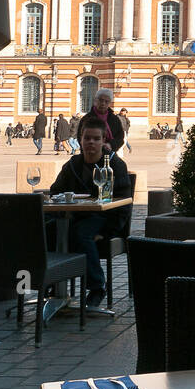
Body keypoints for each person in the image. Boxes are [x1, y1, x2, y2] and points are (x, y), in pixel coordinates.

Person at [48, 119, 120, 309]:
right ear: (80, 139)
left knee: (80, 234)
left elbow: (123, 203)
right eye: (87, 138)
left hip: (103, 218)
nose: (91, 142)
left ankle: (97, 287)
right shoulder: (72, 164)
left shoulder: (114, 165)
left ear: (103, 140)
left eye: (96, 139)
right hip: (73, 216)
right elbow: (55, 191)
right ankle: (52, 282)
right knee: (46, 229)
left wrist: (108, 232)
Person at [80, 88, 128, 184]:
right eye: (101, 100)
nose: (103, 104)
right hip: (89, 158)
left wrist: (110, 145)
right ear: (95, 100)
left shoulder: (115, 119)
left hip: (109, 156)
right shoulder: (86, 118)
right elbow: (80, 137)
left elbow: (120, 137)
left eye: (106, 101)